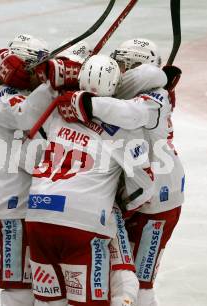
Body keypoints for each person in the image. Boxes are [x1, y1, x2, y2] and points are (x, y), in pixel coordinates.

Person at [25, 54, 155, 306]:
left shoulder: (56, 112)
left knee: (48, 304)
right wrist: (124, 206)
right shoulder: (125, 128)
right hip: (82, 223)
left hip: (38, 215)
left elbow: (30, 157)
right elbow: (143, 187)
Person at [63, 38, 185, 306]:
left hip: (158, 201)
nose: (118, 68)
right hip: (132, 192)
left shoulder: (155, 95)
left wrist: (86, 103)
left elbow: (130, 112)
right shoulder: (135, 88)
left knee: (139, 286)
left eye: (124, 64)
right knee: (115, 278)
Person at [0, 33, 56, 306]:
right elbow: (27, 117)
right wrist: (53, 85)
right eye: (40, 65)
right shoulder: (5, 96)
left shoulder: (18, 90)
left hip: (29, 205)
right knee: (19, 290)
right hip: (12, 208)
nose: (43, 71)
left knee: (41, 287)